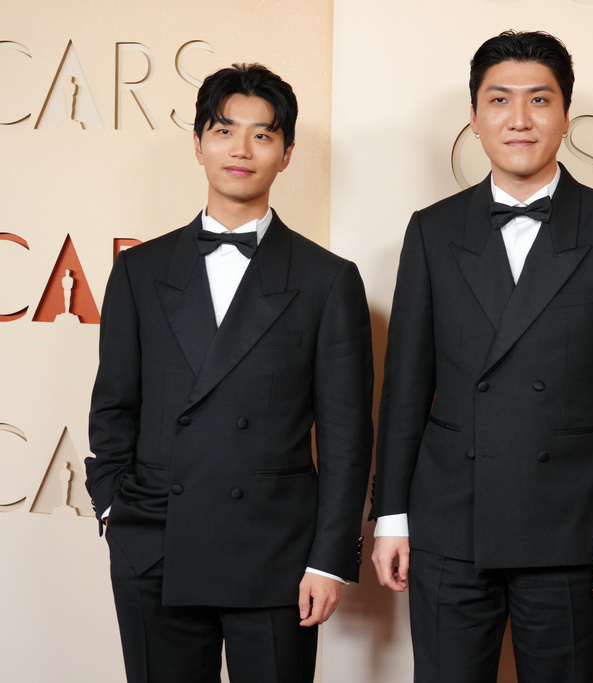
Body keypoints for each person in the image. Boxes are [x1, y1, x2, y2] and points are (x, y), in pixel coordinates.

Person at [370, 30, 593, 683]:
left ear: (565, 114)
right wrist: (391, 514)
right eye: (499, 100)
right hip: (450, 519)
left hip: (571, 526)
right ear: (474, 116)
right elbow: (405, 388)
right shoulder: (432, 229)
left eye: (539, 100)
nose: (519, 119)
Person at [85, 63, 373, 683]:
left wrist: (329, 559)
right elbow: (113, 407)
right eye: (223, 131)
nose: (241, 149)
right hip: (156, 546)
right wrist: (113, 509)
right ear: (198, 144)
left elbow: (347, 440)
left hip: (277, 556)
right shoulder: (140, 271)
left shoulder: (328, 280)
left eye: (262, 135)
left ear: (286, 154)